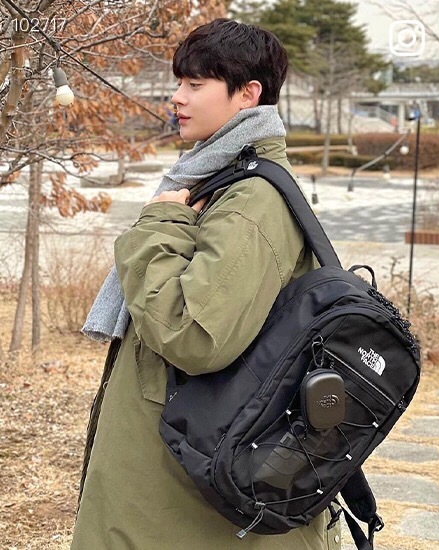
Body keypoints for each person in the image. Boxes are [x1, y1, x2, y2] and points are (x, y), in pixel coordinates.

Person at [71, 18, 342, 550]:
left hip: (188, 480)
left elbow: (195, 334)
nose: (177, 97)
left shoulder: (251, 200)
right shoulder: (214, 177)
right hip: (182, 457)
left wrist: (157, 226)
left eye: (195, 84)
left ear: (248, 94)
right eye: (180, 83)